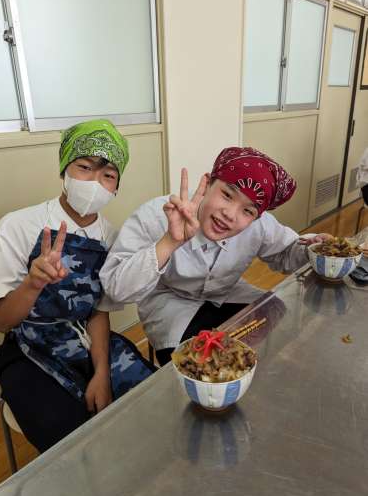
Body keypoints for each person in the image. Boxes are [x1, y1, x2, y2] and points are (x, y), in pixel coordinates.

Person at [0, 119, 155, 452]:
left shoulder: (112, 238)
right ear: (64, 169)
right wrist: (33, 283)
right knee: (77, 445)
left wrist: (102, 373)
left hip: (90, 341)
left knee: (152, 405)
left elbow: (99, 312)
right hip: (27, 349)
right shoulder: (18, 226)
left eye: (108, 175)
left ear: (116, 187)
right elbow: (0, 321)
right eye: (84, 167)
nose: (94, 182)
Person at [100, 146, 330, 366]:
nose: (230, 214)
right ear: (209, 183)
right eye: (227, 195)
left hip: (226, 292)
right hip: (169, 299)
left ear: (257, 217)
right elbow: (117, 288)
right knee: (194, 362)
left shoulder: (260, 225)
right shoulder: (157, 215)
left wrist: (313, 248)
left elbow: (287, 252)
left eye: (248, 210)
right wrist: (169, 242)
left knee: (274, 313)